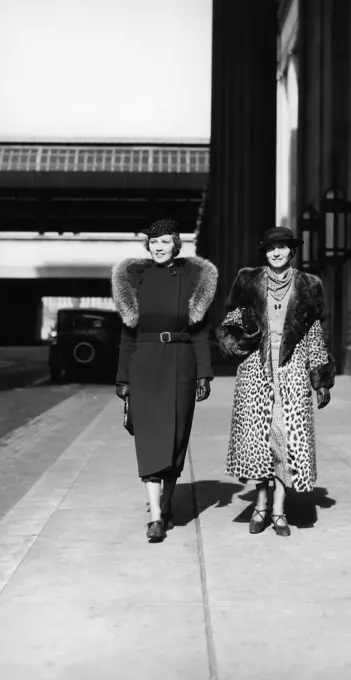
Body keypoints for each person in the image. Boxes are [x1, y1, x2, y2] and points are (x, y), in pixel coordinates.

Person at [217, 226, 335, 537]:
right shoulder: (247, 280)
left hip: (292, 368)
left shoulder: (310, 285)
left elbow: (314, 334)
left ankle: (279, 510)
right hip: (256, 367)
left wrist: (320, 378)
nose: (277, 253)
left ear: (292, 251)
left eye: (282, 247)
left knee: (285, 440)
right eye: (271, 248)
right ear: (265, 252)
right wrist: (241, 336)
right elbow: (231, 320)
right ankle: (260, 504)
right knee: (259, 442)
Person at [112, 219, 218, 543]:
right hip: (144, 363)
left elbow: (200, 333)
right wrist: (122, 378)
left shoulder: (192, 277)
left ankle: (167, 504)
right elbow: (127, 336)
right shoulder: (134, 278)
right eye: (153, 242)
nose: (158, 247)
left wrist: (203, 373)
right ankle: (156, 517)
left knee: (176, 440)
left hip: (181, 361)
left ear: (176, 244)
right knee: (149, 438)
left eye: (164, 241)